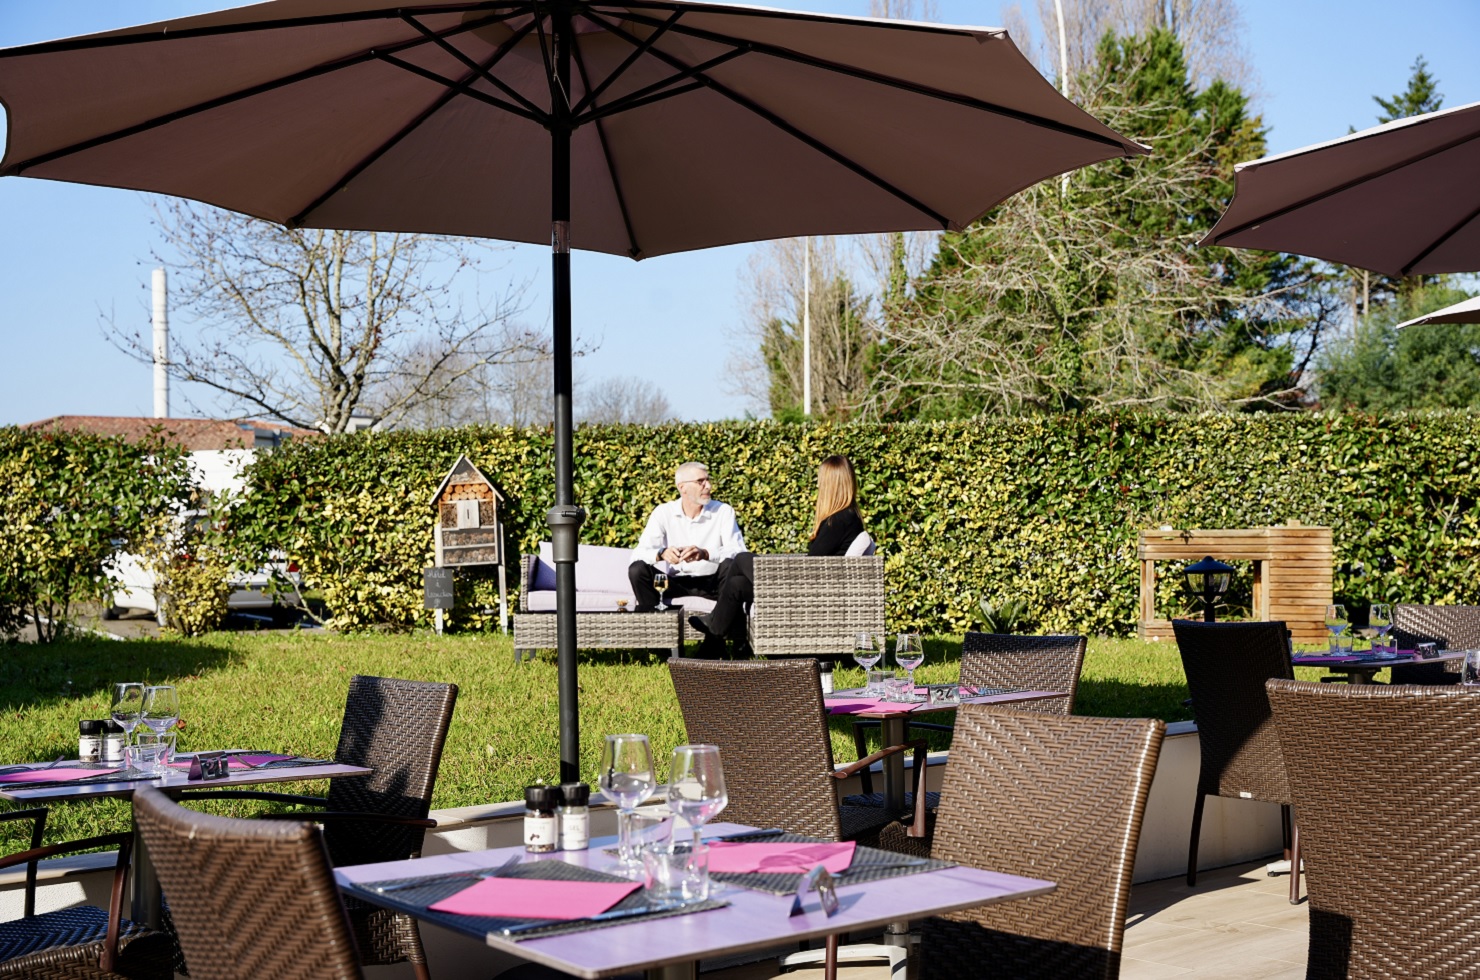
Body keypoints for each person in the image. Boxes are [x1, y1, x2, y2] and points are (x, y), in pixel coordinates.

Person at [690, 454, 867, 652]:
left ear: (830, 485)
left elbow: (811, 564)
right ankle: (714, 643)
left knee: (740, 558)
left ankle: (714, 630)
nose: (818, 485)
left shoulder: (839, 520)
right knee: (736, 584)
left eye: (821, 480)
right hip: (809, 584)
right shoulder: (846, 517)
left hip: (804, 591)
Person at [629, 462, 747, 655]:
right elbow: (637, 554)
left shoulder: (723, 511)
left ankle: (712, 644)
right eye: (701, 481)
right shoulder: (663, 512)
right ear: (682, 487)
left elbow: (739, 551)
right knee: (637, 570)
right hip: (676, 582)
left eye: (708, 480)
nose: (708, 486)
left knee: (729, 564)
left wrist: (705, 553)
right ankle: (660, 644)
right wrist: (661, 553)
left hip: (714, 583)